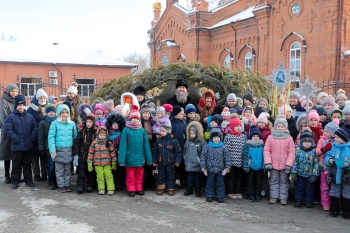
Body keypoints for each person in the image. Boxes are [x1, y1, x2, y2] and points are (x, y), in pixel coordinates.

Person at [4, 95, 37, 189]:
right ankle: (15, 181)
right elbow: (8, 130)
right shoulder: (11, 117)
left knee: (27, 164)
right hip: (17, 146)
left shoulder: (30, 117)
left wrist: (32, 137)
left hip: (28, 146)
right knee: (16, 164)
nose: (21, 107)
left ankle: (28, 180)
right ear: (15, 106)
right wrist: (16, 139)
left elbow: (34, 128)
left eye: (23, 105)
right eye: (19, 105)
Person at [118, 108, 152, 197]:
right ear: (130, 118)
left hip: (140, 157)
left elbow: (146, 146)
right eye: (133, 118)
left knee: (139, 174)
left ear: (139, 119)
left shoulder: (142, 130)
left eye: (137, 118)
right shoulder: (126, 130)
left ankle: (139, 188)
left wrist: (149, 159)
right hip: (129, 158)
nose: (135, 120)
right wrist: (121, 160)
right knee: (130, 175)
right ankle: (131, 189)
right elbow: (123, 145)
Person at [264, 116, 296, 205]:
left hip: (284, 165)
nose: (280, 128)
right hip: (273, 164)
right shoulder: (270, 137)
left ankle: (283, 198)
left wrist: (289, 164)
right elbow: (267, 150)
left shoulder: (289, 138)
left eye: (282, 126)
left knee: (284, 181)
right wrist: (268, 162)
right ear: (275, 126)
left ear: (285, 127)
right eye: (278, 126)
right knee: (273, 180)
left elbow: (291, 152)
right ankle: (274, 197)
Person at [48, 104, 77, 192]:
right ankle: (61, 185)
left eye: (66, 112)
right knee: (59, 170)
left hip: (68, 150)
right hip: (58, 150)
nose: (64, 114)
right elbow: (51, 137)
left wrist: (75, 151)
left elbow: (75, 137)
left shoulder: (72, 124)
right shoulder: (55, 123)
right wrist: (52, 150)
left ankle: (67, 184)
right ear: (59, 113)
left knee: (68, 170)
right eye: (62, 112)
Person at [324, 128, 350, 218]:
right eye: (336, 137)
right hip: (334, 174)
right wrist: (329, 161)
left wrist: (348, 164)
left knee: (347, 191)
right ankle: (334, 209)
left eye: (339, 137)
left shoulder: (348, 148)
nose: (336, 139)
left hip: (347, 175)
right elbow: (326, 157)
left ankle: (347, 211)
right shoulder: (332, 146)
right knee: (334, 191)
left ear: (345, 138)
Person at [200, 128, 231, 203]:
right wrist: (203, 166)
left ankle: (220, 196)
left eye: (218, 138)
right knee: (210, 183)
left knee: (220, 183)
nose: (216, 139)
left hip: (220, 169)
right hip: (210, 169)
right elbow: (203, 157)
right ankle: (209, 195)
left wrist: (227, 166)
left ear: (220, 138)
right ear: (211, 138)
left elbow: (227, 157)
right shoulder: (207, 147)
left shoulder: (223, 147)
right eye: (214, 138)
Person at [291, 130, 319, 208]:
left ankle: (309, 201)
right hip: (300, 173)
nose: (307, 143)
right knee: (299, 187)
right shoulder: (298, 150)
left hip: (310, 174)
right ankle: (298, 200)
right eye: (305, 142)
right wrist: (293, 172)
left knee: (309, 188)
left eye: (309, 142)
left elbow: (316, 163)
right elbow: (295, 162)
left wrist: (315, 174)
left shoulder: (314, 151)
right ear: (301, 142)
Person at [152, 124, 182, 196]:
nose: (161, 132)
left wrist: (178, 161)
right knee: (161, 175)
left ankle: (171, 188)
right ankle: (161, 187)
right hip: (161, 162)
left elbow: (178, 152)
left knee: (171, 175)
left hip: (170, 162)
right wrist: (154, 161)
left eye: (163, 131)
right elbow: (155, 152)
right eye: (160, 130)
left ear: (168, 131)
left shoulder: (174, 141)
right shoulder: (158, 141)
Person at [316, 121, 339, 211]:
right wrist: (323, 149)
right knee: (324, 186)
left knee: (334, 186)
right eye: (325, 131)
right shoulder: (322, 140)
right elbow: (317, 152)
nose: (325, 133)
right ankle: (325, 203)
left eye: (328, 132)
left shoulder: (338, 141)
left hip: (335, 168)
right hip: (324, 167)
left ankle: (335, 203)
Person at [87, 126, 117, 195]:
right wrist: (89, 162)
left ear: (106, 135)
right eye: (101, 135)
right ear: (98, 135)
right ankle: (101, 188)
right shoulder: (94, 143)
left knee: (109, 176)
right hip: (97, 163)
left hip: (107, 163)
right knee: (100, 176)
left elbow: (112, 153)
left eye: (103, 135)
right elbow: (90, 153)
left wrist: (114, 162)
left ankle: (110, 188)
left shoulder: (108, 143)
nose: (102, 136)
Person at [27, 88, 48, 181]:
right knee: (35, 157)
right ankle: (36, 174)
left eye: (44, 98)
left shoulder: (49, 108)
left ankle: (44, 173)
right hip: (34, 136)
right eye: (41, 98)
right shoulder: (31, 109)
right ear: (37, 99)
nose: (42, 100)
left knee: (44, 156)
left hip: (45, 136)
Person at [224, 114, 246, 199]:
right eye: (236, 126)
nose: (238, 128)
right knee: (231, 177)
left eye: (239, 126)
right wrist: (227, 162)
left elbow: (245, 149)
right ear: (232, 127)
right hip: (231, 162)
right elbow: (227, 150)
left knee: (239, 178)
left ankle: (238, 191)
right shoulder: (228, 136)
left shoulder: (243, 137)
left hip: (240, 162)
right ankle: (230, 191)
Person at [0, 84, 19, 184]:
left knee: (16, 154)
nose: (14, 93)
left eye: (16, 91)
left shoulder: (17, 101)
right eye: (12, 91)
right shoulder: (4, 101)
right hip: (7, 131)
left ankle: (15, 175)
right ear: (8, 92)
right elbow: (4, 117)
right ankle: (7, 175)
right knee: (7, 154)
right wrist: (11, 128)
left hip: (17, 131)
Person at [73, 114, 97, 193]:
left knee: (91, 171)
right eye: (87, 122)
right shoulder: (81, 132)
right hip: (82, 155)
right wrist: (76, 154)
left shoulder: (95, 132)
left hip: (92, 156)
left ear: (93, 123)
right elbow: (77, 143)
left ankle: (90, 185)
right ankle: (80, 185)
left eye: (90, 122)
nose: (88, 123)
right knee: (81, 172)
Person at [183, 121, 207, 197]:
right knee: (189, 179)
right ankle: (189, 190)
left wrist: (201, 162)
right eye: (190, 134)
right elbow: (185, 150)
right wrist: (185, 158)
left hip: (198, 164)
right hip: (189, 163)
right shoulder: (188, 141)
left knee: (198, 179)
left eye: (193, 134)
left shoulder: (202, 142)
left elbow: (204, 153)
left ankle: (198, 191)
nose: (191, 135)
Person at [242, 125, 264, 202]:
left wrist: (264, 165)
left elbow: (264, 156)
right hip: (250, 166)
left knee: (258, 182)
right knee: (250, 182)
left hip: (260, 167)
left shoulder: (262, 145)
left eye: (257, 136)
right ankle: (250, 195)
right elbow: (245, 156)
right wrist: (245, 166)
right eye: (253, 136)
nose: (255, 137)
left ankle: (257, 195)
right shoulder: (247, 145)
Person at [38, 104, 58, 190]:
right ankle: (51, 181)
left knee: (58, 166)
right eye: (49, 112)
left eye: (53, 111)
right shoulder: (43, 122)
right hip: (48, 147)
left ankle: (58, 180)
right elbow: (41, 136)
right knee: (51, 165)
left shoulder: (59, 121)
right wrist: (41, 148)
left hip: (58, 146)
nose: (51, 113)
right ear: (46, 113)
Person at [105, 112, 126, 191]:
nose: (115, 125)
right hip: (110, 156)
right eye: (113, 124)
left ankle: (119, 184)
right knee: (111, 170)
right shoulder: (107, 134)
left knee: (120, 170)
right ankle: (112, 183)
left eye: (117, 124)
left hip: (119, 155)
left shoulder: (121, 134)